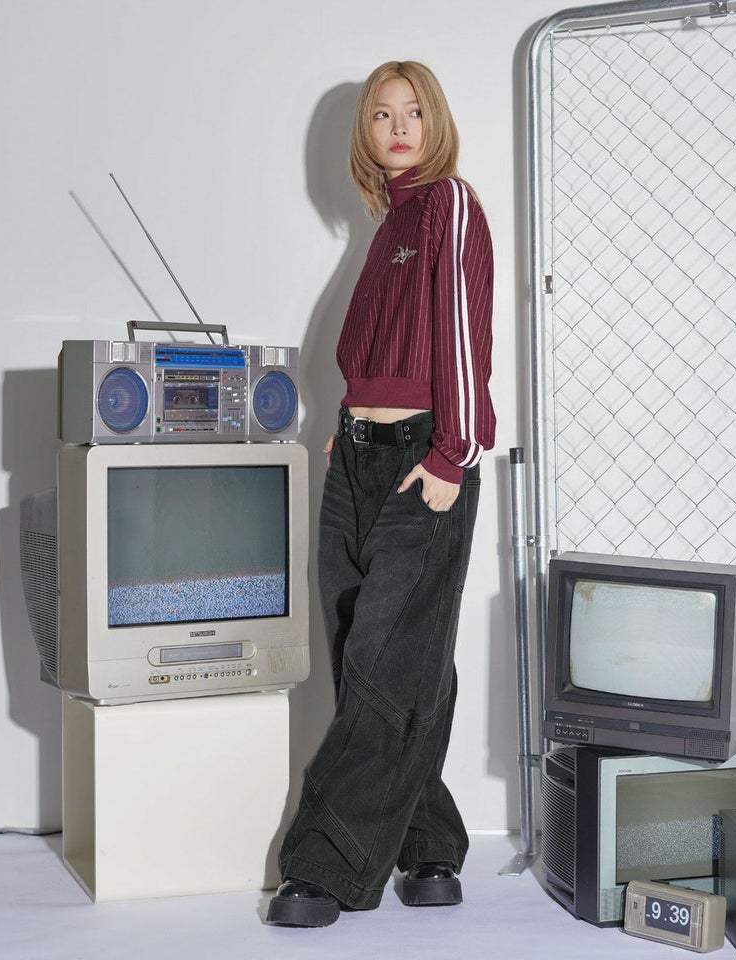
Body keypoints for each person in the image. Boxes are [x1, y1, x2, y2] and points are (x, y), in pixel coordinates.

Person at [267, 60, 495, 928]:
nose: (397, 128)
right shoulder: (388, 223)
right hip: (355, 460)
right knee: (387, 657)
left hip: (422, 461)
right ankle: (429, 841)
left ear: (435, 123)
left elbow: (464, 338)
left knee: (384, 661)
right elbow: (381, 351)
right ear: (365, 134)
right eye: (380, 116)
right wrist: (348, 421)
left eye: (413, 112)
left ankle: (322, 866)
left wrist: (452, 454)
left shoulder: (448, 204)